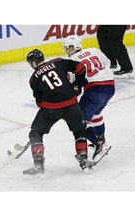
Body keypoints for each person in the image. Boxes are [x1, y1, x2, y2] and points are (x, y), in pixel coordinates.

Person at [23, 49, 95, 179]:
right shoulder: (59, 62)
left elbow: (39, 101)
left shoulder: (34, 79)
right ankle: (84, 160)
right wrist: (77, 85)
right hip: (72, 104)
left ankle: (38, 165)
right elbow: (80, 67)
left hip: (51, 109)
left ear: (33, 63)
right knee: (79, 131)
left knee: (35, 133)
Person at [62, 34, 115, 162]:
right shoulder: (94, 50)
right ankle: (103, 141)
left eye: (68, 48)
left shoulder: (72, 60)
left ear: (73, 47)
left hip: (95, 90)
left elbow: (73, 82)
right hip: (110, 87)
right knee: (96, 114)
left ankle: (99, 144)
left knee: (79, 120)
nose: (67, 51)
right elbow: (108, 63)